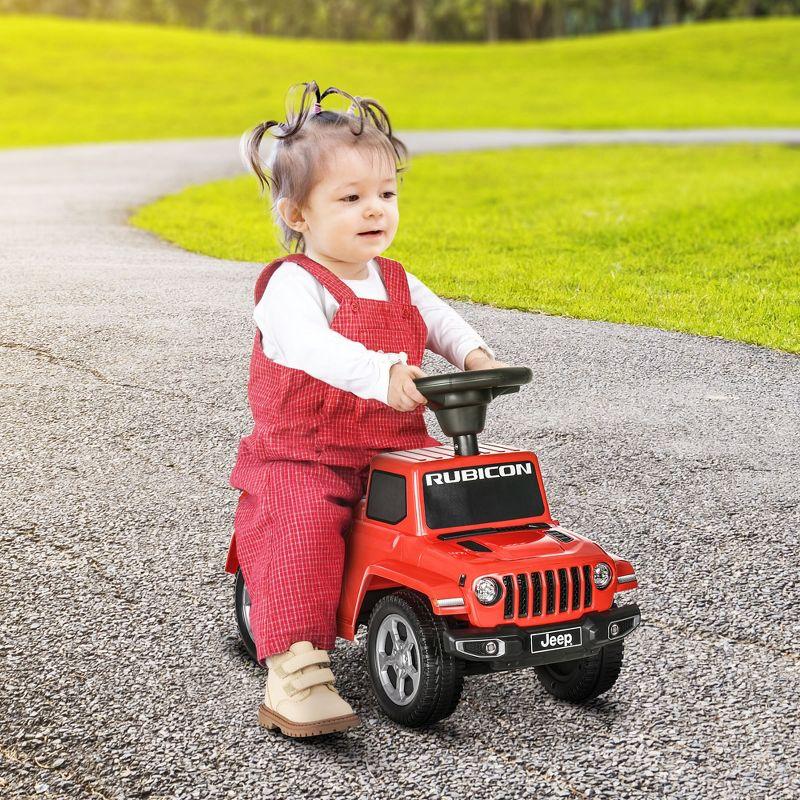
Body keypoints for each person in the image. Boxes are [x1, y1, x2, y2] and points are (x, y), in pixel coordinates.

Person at [229, 80, 507, 737]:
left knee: (469, 500)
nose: (374, 211)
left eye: (386, 195)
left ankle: (486, 608)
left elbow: (438, 321)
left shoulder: (396, 277)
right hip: (307, 455)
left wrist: (474, 357)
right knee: (300, 532)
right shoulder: (291, 287)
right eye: (350, 199)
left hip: (396, 453)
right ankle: (296, 676)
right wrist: (380, 372)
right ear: (297, 214)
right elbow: (311, 347)